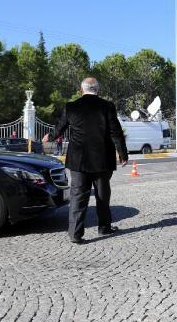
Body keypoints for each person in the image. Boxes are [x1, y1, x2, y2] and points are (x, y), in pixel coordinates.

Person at [42, 77, 128, 243]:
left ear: (81, 90)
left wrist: (50, 137)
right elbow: (116, 132)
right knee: (103, 195)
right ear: (97, 89)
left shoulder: (71, 106)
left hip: (78, 160)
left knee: (78, 196)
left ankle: (75, 233)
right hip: (102, 160)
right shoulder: (107, 106)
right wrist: (122, 154)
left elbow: (60, 127)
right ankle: (104, 228)